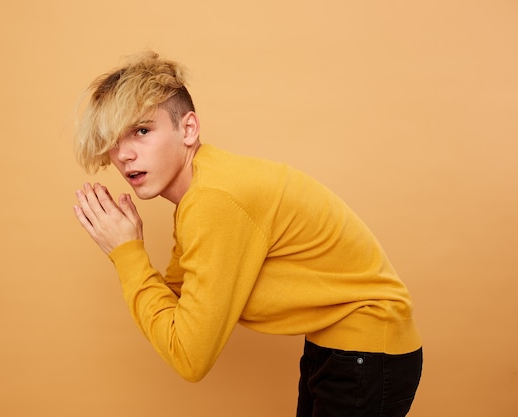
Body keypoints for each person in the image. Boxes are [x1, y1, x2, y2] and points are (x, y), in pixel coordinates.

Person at [72, 51, 422, 417]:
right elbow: (175, 307)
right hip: (338, 346)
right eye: (113, 140)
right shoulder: (201, 194)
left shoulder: (214, 200)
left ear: (188, 129)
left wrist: (127, 253)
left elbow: (190, 356)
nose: (124, 154)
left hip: (366, 351)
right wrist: (126, 250)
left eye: (142, 131)